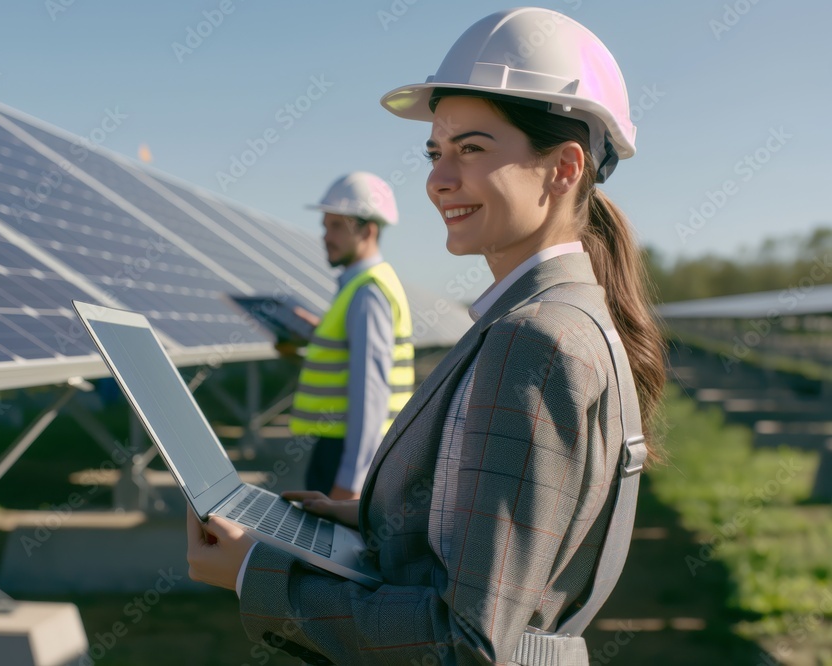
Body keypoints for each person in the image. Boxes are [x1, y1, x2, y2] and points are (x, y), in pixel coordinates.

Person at [187, 8, 666, 665]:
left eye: (471, 149)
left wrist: (256, 576)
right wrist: (371, 521)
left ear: (563, 168)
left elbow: (460, 641)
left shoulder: (535, 342)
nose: (439, 179)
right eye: (436, 152)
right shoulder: (553, 318)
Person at [287, 172, 415, 500]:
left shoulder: (368, 293)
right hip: (344, 447)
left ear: (368, 231)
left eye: (337, 227)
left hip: (346, 454)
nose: (325, 236)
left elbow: (370, 394)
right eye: (325, 226)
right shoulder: (362, 286)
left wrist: (350, 482)